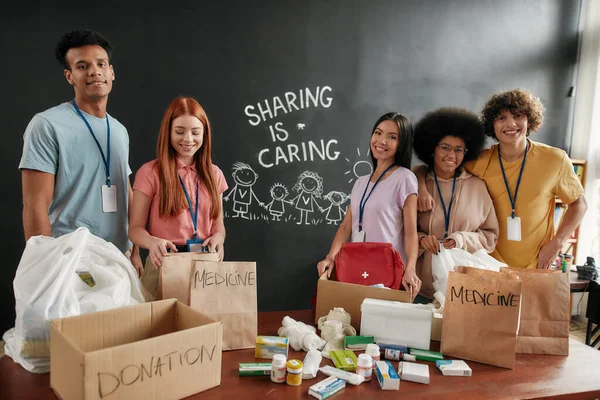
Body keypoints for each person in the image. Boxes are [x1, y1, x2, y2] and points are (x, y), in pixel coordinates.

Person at [416, 89, 587, 269]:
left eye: (518, 115)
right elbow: (429, 167)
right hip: (488, 266)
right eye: (501, 118)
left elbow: (579, 204)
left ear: (529, 119)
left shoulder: (555, 159)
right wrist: (420, 187)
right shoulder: (479, 161)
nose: (511, 124)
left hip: (537, 264)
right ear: (493, 125)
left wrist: (556, 244)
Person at [19, 29, 142, 274]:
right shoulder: (47, 125)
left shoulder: (118, 130)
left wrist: (135, 250)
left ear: (111, 72)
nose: (94, 71)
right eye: (82, 66)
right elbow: (35, 203)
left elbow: (126, 190)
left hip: (119, 258)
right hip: (71, 261)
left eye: (101, 64)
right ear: (69, 76)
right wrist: (46, 266)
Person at [129, 97, 228, 298]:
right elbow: (135, 230)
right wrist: (151, 242)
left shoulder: (214, 173)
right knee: (159, 326)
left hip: (205, 265)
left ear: (205, 134)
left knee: (203, 327)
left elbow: (218, 224)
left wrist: (219, 238)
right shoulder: (150, 172)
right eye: (180, 132)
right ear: (168, 132)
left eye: (195, 132)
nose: (188, 140)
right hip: (164, 263)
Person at [317, 113, 421, 298]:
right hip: (355, 265)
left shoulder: (405, 178)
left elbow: (411, 232)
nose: (382, 141)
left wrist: (411, 268)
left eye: (392, 137)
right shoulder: (360, 182)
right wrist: (331, 257)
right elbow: (346, 226)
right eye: (378, 133)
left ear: (402, 144)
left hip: (387, 269)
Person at [412, 107, 499, 302]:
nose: (452, 154)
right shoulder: (416, 185)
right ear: (432, 149)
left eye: (459, 149)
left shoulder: (477, 186)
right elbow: (399, 228)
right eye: (445, 147)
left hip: (464, 287)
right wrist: (421, 239)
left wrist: (461, 239)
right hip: (420, 286)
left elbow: (490, 236)